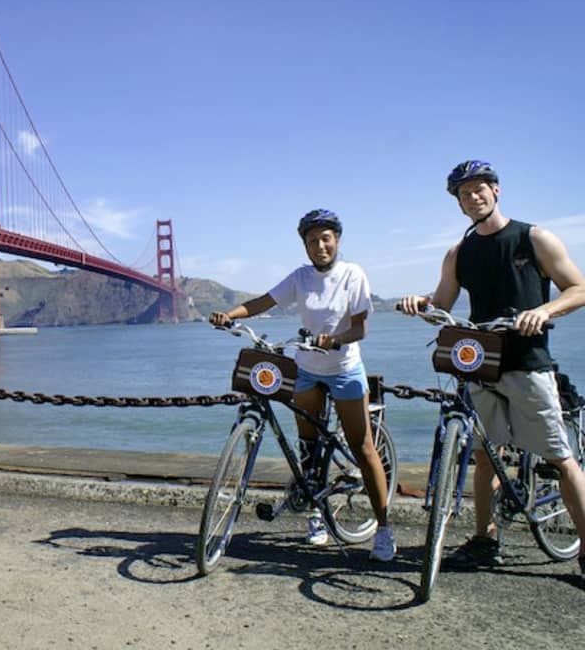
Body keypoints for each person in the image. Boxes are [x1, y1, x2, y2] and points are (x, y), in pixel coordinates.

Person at [400, 160, 585, 584]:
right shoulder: (459, 252)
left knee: (561, 459)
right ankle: (485, 540)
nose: (473, 197)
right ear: (458, 202)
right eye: (464, 194)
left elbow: (579, 288)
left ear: (496, 191)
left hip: (527, 364)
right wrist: (419, 303)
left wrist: (543, 310)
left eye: (480, 189)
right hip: (481, 365)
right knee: (485, 458)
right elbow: (442, 303)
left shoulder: (533, 237)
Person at [210, 209, 396, 561]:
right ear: (305, 247)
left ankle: (384, 529)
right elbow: (263, 301)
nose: (320, 245)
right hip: (307, 370)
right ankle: (316, 517)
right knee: (308, 447)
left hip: (344, 368)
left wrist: (336, 339)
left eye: (326, 238)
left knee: (363, 447)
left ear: (337, 241)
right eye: (312, 241)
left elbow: (360, 328)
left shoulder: (352, 274)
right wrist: (229, 316)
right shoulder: (300, 278)